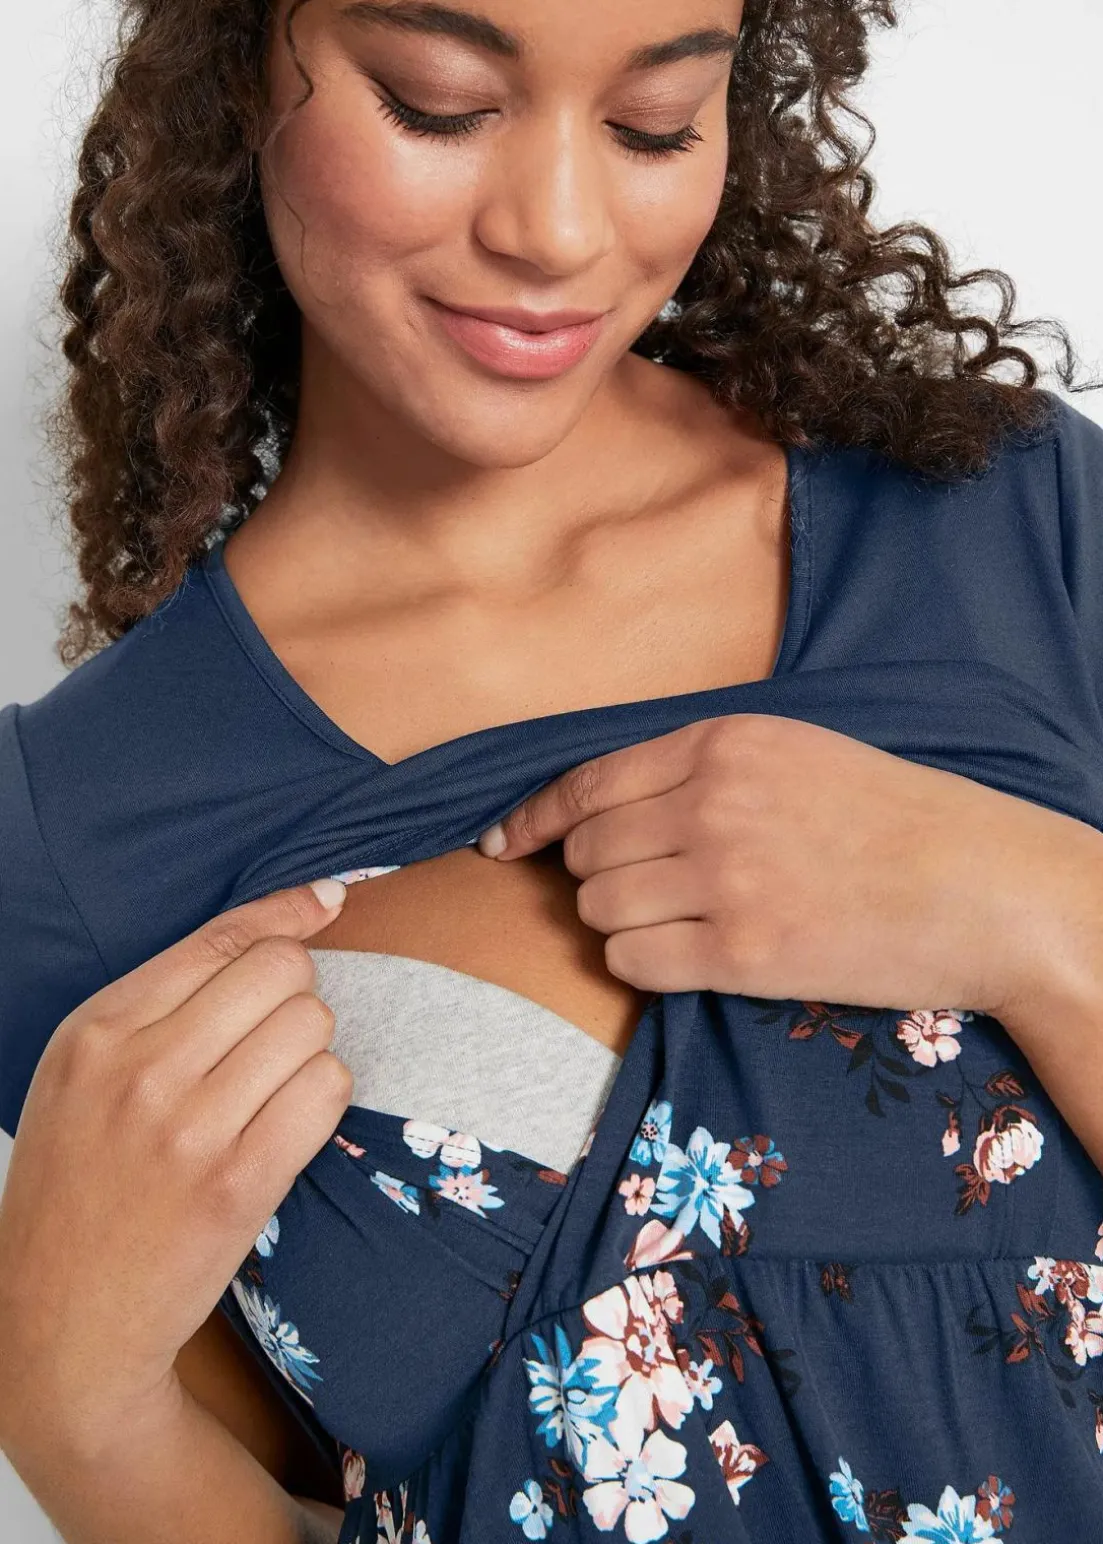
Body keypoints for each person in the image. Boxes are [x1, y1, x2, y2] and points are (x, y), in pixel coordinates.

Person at [1, 1, 1103, 1541]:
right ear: (234, 66)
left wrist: (1040, 915)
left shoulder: (1009, 525)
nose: (558, 232)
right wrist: (72, 1412)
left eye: (654, 125)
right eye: (438, 104)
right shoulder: (71, 835)